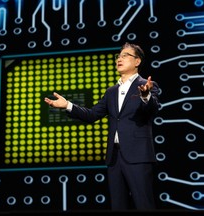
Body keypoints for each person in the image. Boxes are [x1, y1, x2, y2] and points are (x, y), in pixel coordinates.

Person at [44, 42, 160, 210]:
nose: (120, 59)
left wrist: (145, 95)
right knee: (118, 206)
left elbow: (152, 109)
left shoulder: (147, 85)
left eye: (125, 55)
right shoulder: (111, 91)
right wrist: (68, 105)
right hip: (114, 157)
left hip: (138, 156)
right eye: (118, 56)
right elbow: (92, 115)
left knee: (144, 204)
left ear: (137, 61)